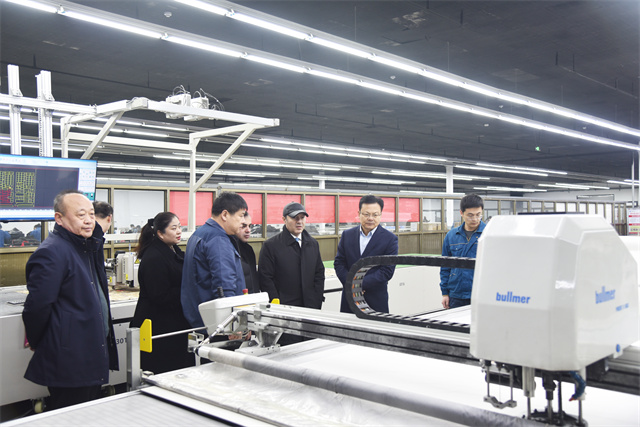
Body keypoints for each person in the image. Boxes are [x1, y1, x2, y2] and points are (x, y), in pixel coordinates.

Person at [23, 190, 118, 411]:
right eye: (80, 215)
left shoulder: (86, 247)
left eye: (91, 214)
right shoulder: (52, 252)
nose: (89, 220)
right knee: (71, 415)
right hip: (70, 358)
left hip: (89, 353)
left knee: (88, 414)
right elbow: (37, 307)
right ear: (59, 218)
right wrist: (39, 341)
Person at [130, 212, 194, 374]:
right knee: (162, 371)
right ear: (160, 233)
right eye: (173, 228)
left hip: (174, 324)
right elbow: (159, 295)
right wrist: (188, 291)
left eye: (180, 227)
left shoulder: (173, 250)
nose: (179, 231)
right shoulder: (154, 257)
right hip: (158, 326)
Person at [181, 192, 248, 328]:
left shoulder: (199, 234)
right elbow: (224, 284)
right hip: (218, 323)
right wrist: (231, 325)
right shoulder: (218, 240)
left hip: (199, 317)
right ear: (225, 215)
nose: (243, 221)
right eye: (241, 215)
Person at [335, 195, 398, 313]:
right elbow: (339, 263)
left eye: (375, 215)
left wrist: (358, 285)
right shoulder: (347, 235)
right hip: (349, 300)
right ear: (359, 213)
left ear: (381, 215)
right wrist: (350, 285)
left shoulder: (390, 239)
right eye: (366, 214)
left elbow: (387, 271)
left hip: (375, 300)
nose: (370, 218)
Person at [259, 202, 325, 309]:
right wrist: (275, 302)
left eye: (302, 218)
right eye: (295, 218)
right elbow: (265, 278)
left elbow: (319, 273)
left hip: (311, 306)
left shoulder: (313, 244)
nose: (299, 221)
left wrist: (317, 299)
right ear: (284, 219)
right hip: (284, 308)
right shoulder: (271, 246)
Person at [440, 194, 485, 309]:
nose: (474, 219)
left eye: (478, 215)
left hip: (482, 293)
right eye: (470, 215)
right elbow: (445, 266)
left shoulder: (489, 233)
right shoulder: (452, 235)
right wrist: (445, 293)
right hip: (456, 294)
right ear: (461, 213)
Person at [230, 212, 259, 294]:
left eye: (250, 226)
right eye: (243, 226)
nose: (248, 230)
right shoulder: (229, 249)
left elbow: (253, 280)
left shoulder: (249, 249)